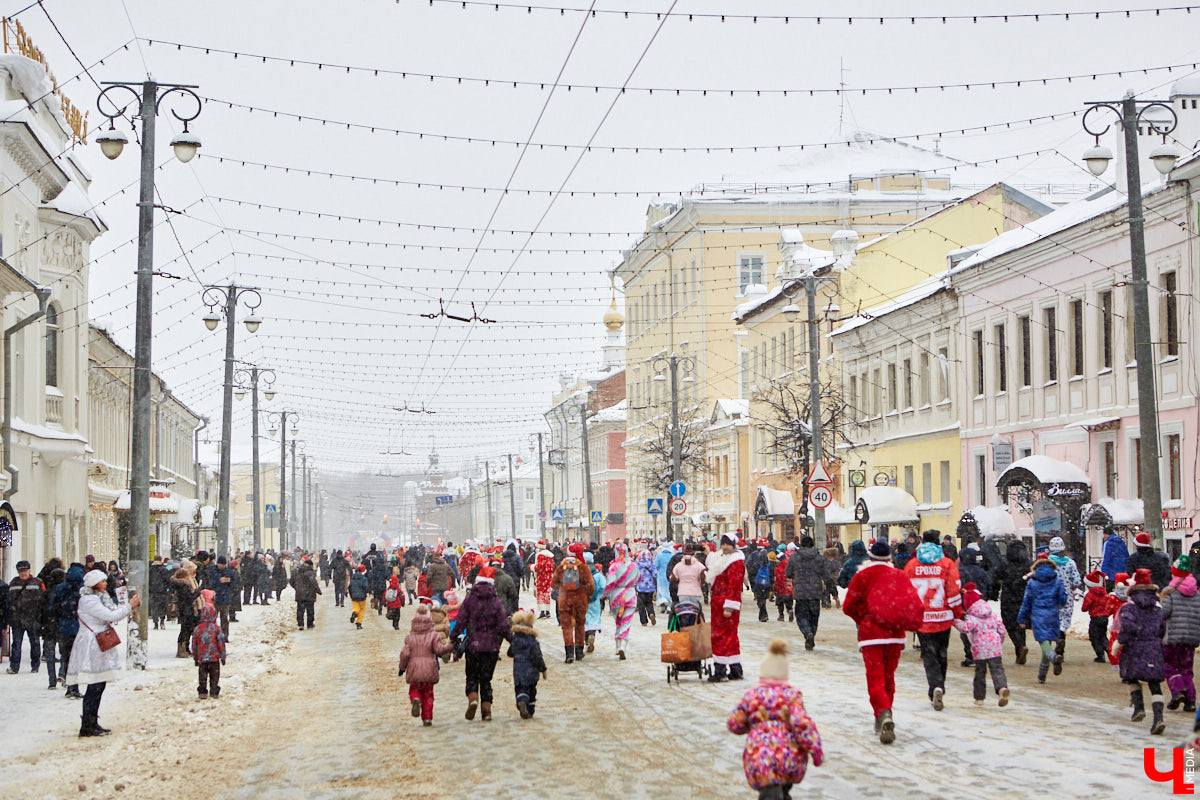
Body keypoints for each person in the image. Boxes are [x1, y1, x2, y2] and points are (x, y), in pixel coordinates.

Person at [843, 539, 922, 744]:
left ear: (870, 557)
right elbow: (910, 601)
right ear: (889, 558)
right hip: (895, 634)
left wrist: (864, 619)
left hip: (871, 636)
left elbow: (848, 606)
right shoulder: (899, 575)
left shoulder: (863, 576)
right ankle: (886, 713)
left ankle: (882, 712)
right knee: (889, 677)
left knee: (875, 677)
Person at [726, 638, 824, 800]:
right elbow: (802, 723)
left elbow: (735, 723)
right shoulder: (791, 696)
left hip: (760, 756)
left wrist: (749, 726)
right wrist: (815, 748)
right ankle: (783, 794)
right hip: (788, 756)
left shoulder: (753, 696)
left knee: (769, 791)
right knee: (783, 788)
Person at [67, 569, 140, 736]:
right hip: (92, 645)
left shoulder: (96, 598)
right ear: (94, 584)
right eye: (102, 581)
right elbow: (110, 616)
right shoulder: (89, 601)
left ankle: (92, 721)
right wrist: (130, 606)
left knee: (99, 684)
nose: (106, 583)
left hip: (97, 643)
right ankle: (87, 723)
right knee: (95, 684)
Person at [904, 532, 962, 711]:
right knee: (941, 653)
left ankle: (934, 686)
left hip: (922, 618)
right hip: (943, 618)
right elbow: (953, 591)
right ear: (939, 544)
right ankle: (940, 685)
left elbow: (906, 591)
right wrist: (957, 612)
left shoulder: (912, 564)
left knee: (928, 655)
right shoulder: (947, 564)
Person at [449, 566, 511, 721]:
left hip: (474, 646)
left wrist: (453, 637)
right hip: (491, 647)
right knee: (486, 680)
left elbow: (461, 621)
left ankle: (473, 699)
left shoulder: (470, 599)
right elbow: (504, 626)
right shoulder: (496, 602)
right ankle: (486, 710)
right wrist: (513, 641)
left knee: (472, 677)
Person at [1118, 569, 1167, 734]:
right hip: (1153, 647)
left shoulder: (1129, 607)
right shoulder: (1157, 606)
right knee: (1155, 684)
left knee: (1131, 677)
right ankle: (1158, 718)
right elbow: (1162, 629)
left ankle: (1139, 708)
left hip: (1135, 647)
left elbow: (1128, 627)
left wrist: (1120, 641)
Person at [952, 582, 1010, 708]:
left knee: (980, 673)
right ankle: (1001, 688)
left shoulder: (972, 617)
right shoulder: (991, 614)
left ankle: (979, 697)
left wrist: (955, 621)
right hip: (994, 647)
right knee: (997, 670)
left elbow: (965, 628)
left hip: (980, 649)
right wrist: (999, 640)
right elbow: (1001, 629)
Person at [398, 603, 455, 727]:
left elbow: (405, 654)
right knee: (429, 694)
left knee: (414, 689)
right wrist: (450, 646)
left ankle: (415, 699)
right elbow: (439, 650)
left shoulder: (410, 637)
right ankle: (427, 718)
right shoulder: (433, 636)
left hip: (414, 669)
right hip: (429, 667)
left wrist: (402, 668)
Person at [1017, 548, 1068, 684]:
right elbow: (1063, 598)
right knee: (1049, 641)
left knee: (1043, 642)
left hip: (1038, 615)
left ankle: (1053, 657)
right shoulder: (1056, 580)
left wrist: (1021, 619)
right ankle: (1042, 675)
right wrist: (1060, 604)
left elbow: (1026, 602)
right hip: (1052, 613)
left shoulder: (1032, 582)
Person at [707, 532, 747, 683]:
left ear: (733, 546)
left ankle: (720, 670)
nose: (724, 547)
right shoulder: (723, 559)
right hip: (719, 604)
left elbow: (735, 585)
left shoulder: (735, 562)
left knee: (720, 636)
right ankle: (736, 669)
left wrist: (729, 606)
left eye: (728, 544)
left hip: (726, 605)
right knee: (730, 636)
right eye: (723, 544)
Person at [1162, 564, 1200, 713]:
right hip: (1191, 639)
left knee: (1168, 665)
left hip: (1173, 637)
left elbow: (1163, 613)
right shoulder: (1197, 594)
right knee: (1187, 669)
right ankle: (1190, 701)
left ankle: (1178, 690)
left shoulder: (1171, 593)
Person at [552, 545, 594, 664]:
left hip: (565, 600)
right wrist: (587, 595)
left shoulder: (561, 567)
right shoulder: (583, 568)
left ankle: (569, 653)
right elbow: (591, 585)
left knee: (567, 626)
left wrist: (562, 588)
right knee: (580, 625)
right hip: (580, 600)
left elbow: (553, 584)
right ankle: (579, 651)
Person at [785, 537, 827, 651]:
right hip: (815, 592)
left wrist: (797, 574)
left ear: (801, 545)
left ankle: (807, 632)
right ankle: (811, 634)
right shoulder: (819, 558)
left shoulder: (794, 558)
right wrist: (834, 592)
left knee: (801, 616)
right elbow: (826, 575)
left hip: (800, 592)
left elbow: (788, 573)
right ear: (813, 545)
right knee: (814, 616)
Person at [1046, 536, 1081, 671]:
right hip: (1066, 598)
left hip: (1051, 597)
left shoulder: (1047, 562)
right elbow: (1077, 581)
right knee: (1064, 621)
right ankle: (1061, 646)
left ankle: (1050, 650)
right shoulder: (1071, 563)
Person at [51, 564, 85, 698]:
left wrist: (57, 621)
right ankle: (74, 686)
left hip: (64, 628)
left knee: (67, 657)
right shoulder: (83, 589)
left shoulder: (60, 588)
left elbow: (54, 608)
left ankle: (70, 685)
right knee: (77, 658)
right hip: (79, 627)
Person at [995, 540, 1031, 664]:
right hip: (1024, 596)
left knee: (1009, 624)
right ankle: (1022, 646)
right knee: (1021, 624)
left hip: (1008, 596)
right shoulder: (1028, 563)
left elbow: (995, 576)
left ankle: (1019, 646)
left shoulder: (1005, 563)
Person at [507, 609, 547, 719]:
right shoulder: (533, 641)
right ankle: (530, 709)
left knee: (520, 689)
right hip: (532, 672)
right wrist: (543, 669)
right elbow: (537, 657)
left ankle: (521, 701)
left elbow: (510, 653)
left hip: (519, 671)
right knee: (531, 690)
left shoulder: (515, 640)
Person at [7, 559, 45, 674]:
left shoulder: (37, 583)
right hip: (17, 619)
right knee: (16, 643)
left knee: (34, 642)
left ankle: (35, 665)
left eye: (25, 570)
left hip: (32, 618)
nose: (23, 573)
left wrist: (41, 616)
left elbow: (43, 600)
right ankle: (14, 666)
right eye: (21, 571)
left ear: (29, 570)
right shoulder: (13, 583)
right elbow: (9, 600)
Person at [956, 547, 991, 667]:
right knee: (980, 630)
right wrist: (984, 599)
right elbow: (987, 586)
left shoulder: (960, 572)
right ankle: (981, 654)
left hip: (965, 605)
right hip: (980, 604)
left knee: (966, 631)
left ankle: (970, 656)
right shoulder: (981, 571)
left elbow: (958, 588)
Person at [603, 546, 639, 660]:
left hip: (617, 594)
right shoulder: (634, 565)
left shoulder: (614, 566)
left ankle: (617, 646)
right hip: (630, 594)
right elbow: (639, 577)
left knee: (618, 620)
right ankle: (623, 645)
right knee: (626, 622)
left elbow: (610, 582)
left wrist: (605, 594)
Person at [192, 590, 226, 699]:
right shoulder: (216, 628)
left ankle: (202, 690)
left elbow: (194, 644)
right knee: (214, 675)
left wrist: (195, 656)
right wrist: (223, 655)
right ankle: (214, 689)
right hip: (214, 657)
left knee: (202, 675)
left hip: (202, 657)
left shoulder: (198, 629)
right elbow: (221, 642)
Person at [38, 564, 65, 689]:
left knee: (49, 654)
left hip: (49, 627)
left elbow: (40, 612)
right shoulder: (64, 593)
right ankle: (62, 673)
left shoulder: (46, 594)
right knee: (64, 652)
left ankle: (51, 680)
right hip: (62, 626)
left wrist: (40, 626)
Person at [1081, 570, 1112, 663]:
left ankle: (1100, 655)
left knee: (1094, 636)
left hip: (1095, 618)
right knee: (1102, 635)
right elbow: (1109, 604)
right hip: (1104, 618)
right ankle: (1108, 649)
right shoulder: (1104, 593)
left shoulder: (1090, 594)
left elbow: (1084, 608)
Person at [171, 561, 201, 659]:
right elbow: (188, 598)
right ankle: (182, 650)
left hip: (187, 609)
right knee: (185, 630)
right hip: (187, 609)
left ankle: (184, 649)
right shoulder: (184, 585)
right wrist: (197, 593)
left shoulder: (184, 584)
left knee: (187, 629)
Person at [207, 556, 237, 642]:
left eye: (224, 564)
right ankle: (213, 635)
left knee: (224, 618)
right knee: (213, 618)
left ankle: (224, 635)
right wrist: (219, 581)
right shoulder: (213, 571)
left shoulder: (228, 572)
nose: (223, 566)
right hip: (215, 598)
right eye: (221, 564)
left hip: (225, 598)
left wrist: (229, 581)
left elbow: (234, 583)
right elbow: (210, 583)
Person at [290, 558, 322, 630]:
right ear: (311, 565)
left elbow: (291, 581)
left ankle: (300, 624)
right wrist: (318, 591)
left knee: (300, 610)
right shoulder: (310, 572)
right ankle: (309, 624)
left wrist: (297, 587)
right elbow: (314, 583)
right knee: (310, 609)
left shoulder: (297, 571)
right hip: (309, 594)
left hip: (300, 593)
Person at [584, 553, 605, 653]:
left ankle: (586, 641)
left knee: (585, 620)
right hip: (595, 601)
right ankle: (592, 635)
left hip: (583, 600)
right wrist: (599, 596)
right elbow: (603, 587)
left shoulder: (581, 573)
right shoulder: (597, 574)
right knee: (594, 619)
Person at [634, 545, 658, 626]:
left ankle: (644, 621)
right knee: (649, 602)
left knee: (641, 605)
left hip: (640, 587)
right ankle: (651, 613)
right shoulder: (651, 564)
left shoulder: (637, 564)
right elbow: (655, 575)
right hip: (650, 587)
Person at [533, 541, 555, 619]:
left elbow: (539, 567)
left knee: (540, 593)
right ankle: (548, 610)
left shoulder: (540, 555)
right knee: (547, 593)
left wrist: (532, 567)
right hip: (549, 576)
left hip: (541, 576)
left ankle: (542, 611)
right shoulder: (550, 555)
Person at [654, 541, 677, 612]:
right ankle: (669, 606)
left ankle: (662, 606)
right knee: (669, 590)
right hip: (669, 575)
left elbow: (655, 565)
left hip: (661, 576)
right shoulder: (672, 556)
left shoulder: (659, 556)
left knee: (661, 591)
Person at [773, 547, 794, 623]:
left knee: (780, 604)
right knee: (789, 603)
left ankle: (781, 615)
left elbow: (777, 579)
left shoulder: (778, 568)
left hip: (781, 589)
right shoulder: (789, 566)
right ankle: (790, 610)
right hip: (789, 589)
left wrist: (775, 589)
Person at [349, 564, 370, 628]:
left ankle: (354, 612)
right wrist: (368, 592)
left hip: (354, 596)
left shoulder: (353, 578)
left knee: (355, 607)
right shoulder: (364, 579)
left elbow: (350, 587)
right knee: (362, 609)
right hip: (362, 596)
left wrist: (351, 595)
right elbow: (365, 587)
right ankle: (359, 623)